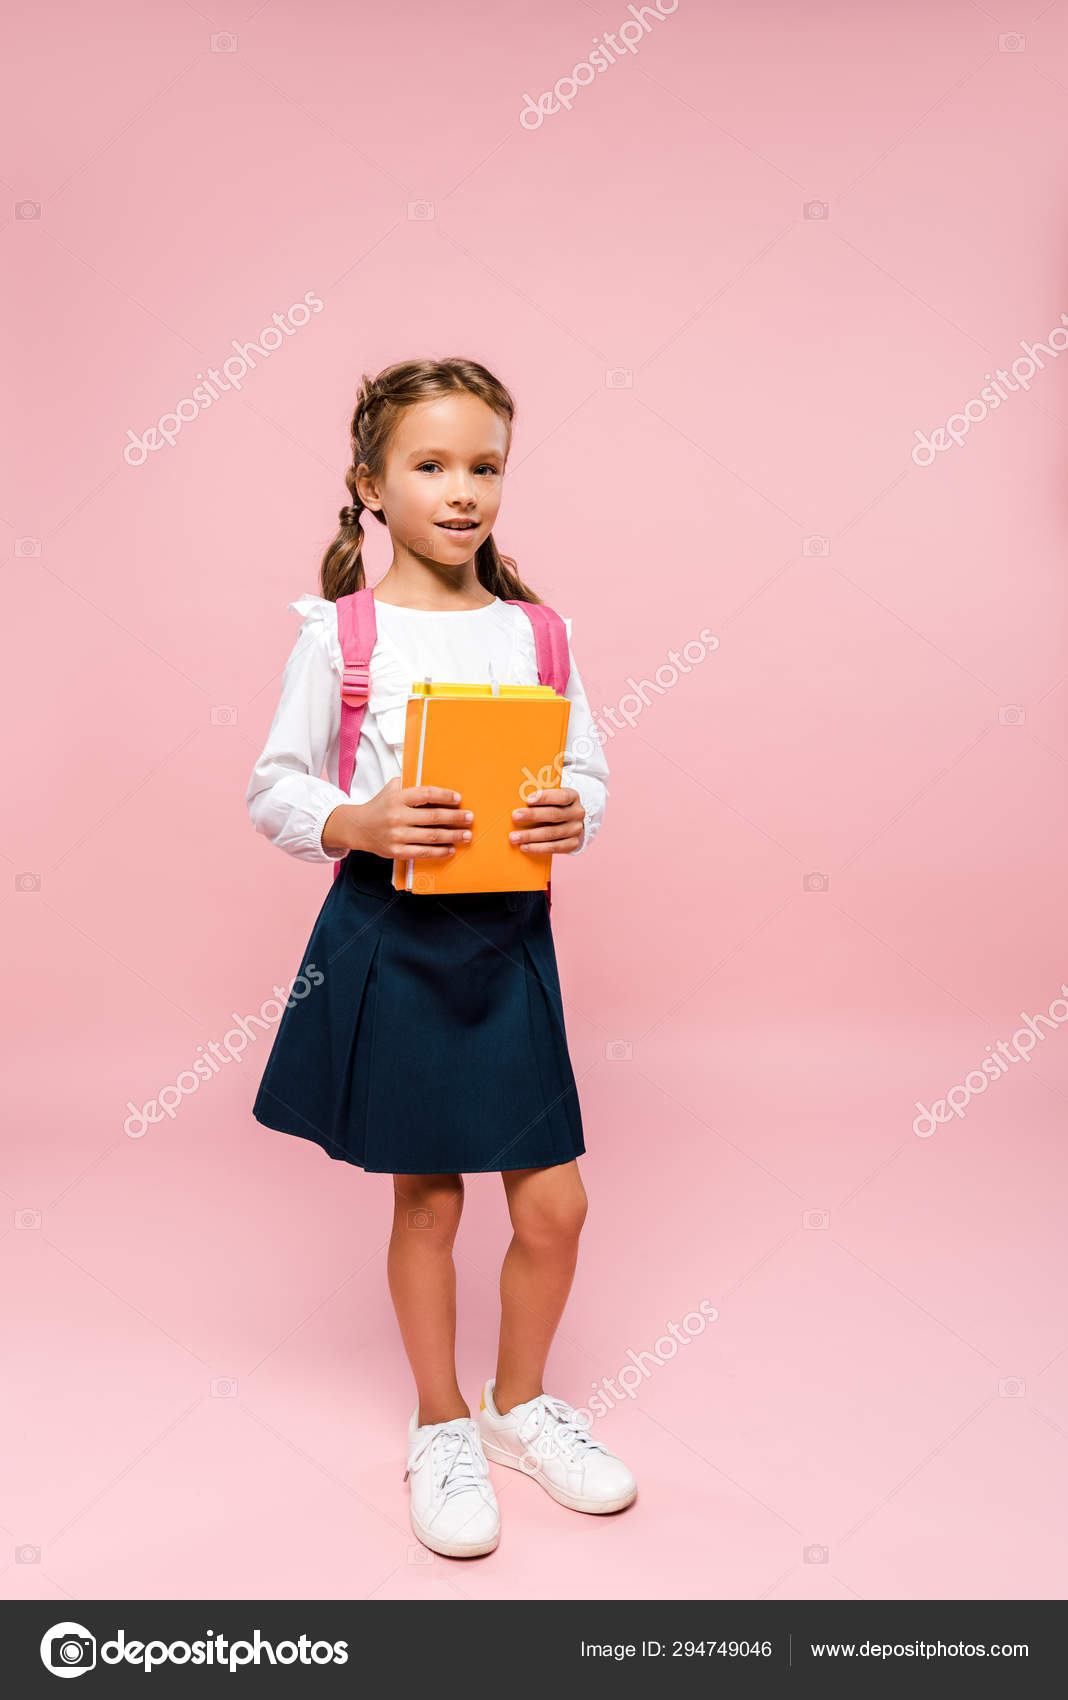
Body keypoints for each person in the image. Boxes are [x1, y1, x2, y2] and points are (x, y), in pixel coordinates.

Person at [246, 356, 637, 1558]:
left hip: (507, 936)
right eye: (431, 465)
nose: (462, 490)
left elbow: (586, 772)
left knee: (555, 1203)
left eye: (484, 466)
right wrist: (355, 821)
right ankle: (439, 1422)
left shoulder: (538, 633)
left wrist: (573, 809)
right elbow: (274, 787)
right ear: (372, 484)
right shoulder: (343, 636)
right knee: (428, 1197)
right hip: (390, 934)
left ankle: (518, 1405)